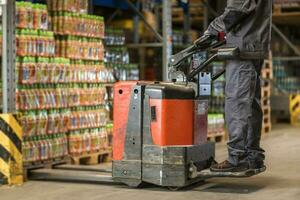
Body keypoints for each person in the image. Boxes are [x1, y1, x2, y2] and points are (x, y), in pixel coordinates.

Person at [200, 0, 272, 172]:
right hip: (253, 43)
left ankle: (237, 157)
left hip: (242, 46)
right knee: (250, 103)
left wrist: (211, 30)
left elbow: (238, 7)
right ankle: (252, 155)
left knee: (237, 103)